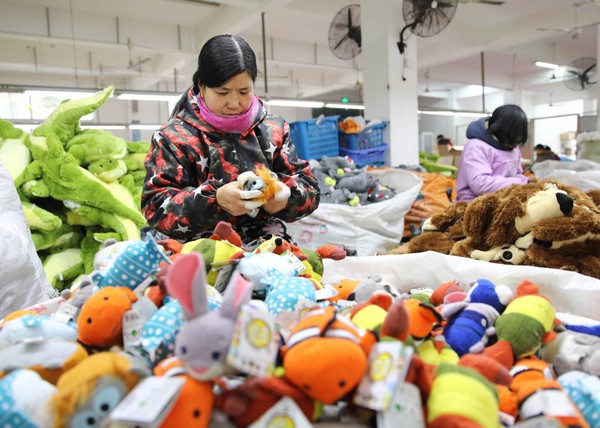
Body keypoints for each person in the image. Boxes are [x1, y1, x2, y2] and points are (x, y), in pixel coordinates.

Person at [141, 34, 320, 246]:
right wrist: (214, 200)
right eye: (222, 92)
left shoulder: (273, 130)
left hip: (267, 250)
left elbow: (309, 187)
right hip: (202, 253)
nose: (234, 103)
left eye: (244, 91)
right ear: (202, 86)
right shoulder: (173, 137)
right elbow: (155, 207)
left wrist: (286, 196)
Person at [456, 104, 530, 202]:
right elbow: (481, 184)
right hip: (475, 205)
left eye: (517, 141)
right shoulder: (476, 147)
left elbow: (518, 174)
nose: (514, 145)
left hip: (504, 200)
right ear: (499, 130)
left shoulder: (512, 147)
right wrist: (521, 182)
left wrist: (524, 181)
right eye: (512, 139)